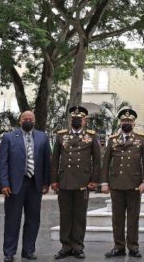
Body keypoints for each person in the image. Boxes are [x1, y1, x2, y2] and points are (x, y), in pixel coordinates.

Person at [0, 110, 51, 262]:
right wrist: (4, 183)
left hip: (35, 184)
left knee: (33, 219)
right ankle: (9, 252)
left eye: (31, 119)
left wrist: (46, 182)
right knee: (12, 219)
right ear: (20, 121)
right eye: (25, 118)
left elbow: (46, 162)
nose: (28, 121)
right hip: (15, 185)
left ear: (34, 121)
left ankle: (28, 250)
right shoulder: (9, 137)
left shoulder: (42, 137)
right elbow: (3, 162)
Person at [51, 106, 101, 260]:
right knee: (65, 215)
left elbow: (97, 161)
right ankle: (65, 246)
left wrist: (94, 180)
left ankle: (78, 246)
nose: (77, 120)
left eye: (80, 118)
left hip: (82, 181)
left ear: (85, 120)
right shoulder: (61, 136)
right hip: (65, 181)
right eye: (74, 118)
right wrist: (54, 180)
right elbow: (55, 160)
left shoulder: (91, 136)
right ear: (70, 119)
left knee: (79, 216)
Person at [101, 109, 144, 259]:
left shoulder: (141, 139)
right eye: (124, 121)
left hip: (134, 185)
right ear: (120, 123)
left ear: (134, 123)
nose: (126, 123)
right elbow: (106, 163)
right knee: (117, 218)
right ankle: (119, 246)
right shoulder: (112, 140)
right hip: (116, 184)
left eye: (129, 121)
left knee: (133, 218)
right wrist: (104, 182)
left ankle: (133, 246)